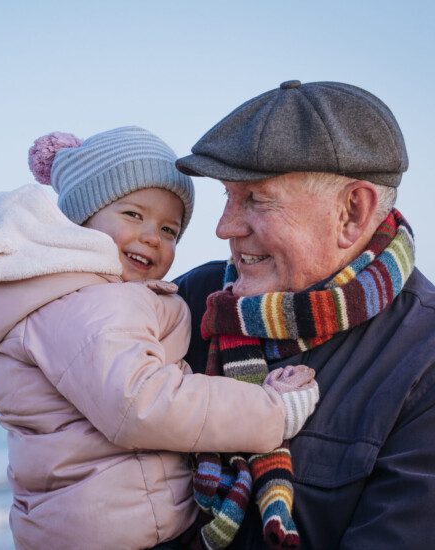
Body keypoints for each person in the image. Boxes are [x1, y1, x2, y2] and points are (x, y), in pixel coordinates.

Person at [0, 126, 319, 549]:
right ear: (80, 220)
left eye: (169, 230)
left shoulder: (59, 294)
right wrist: (272, 411)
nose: (151, 237)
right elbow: (142, 404)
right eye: (133, 215)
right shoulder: (87, 304)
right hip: (115, 532)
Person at [174, 80, 435, 549]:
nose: (223, 227)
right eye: (226, 197)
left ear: (352, 213)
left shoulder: (425, 357)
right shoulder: (193, 300)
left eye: (254, 199)